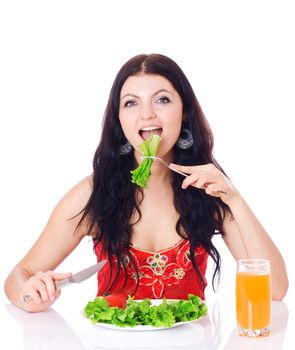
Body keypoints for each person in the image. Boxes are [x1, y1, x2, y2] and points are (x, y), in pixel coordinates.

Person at [4, 54, 288, 313]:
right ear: (119, 118)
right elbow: (19, 277)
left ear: (184, 111)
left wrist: (235, 199)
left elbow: (275, 289)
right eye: (131, 103)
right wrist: (29, 295)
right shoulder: (92, 194)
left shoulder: (208, 189)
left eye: (162, 100)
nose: (147, 115)